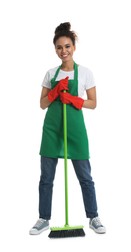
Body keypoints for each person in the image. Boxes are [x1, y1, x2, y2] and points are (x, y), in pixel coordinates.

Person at [29, 22, 106, 235]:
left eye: (67, 46)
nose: (63, 51)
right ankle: (43, 218)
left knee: (85, 177)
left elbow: (93, 103)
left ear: (74, 47)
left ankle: (93, 217)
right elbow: (43, 104)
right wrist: (54, 92)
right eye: (59, 47)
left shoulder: (86, 73)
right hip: (52, 129)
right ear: (55, 49)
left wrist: (73, 99)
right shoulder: (50, 73)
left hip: (75, 131)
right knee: (46, 178)